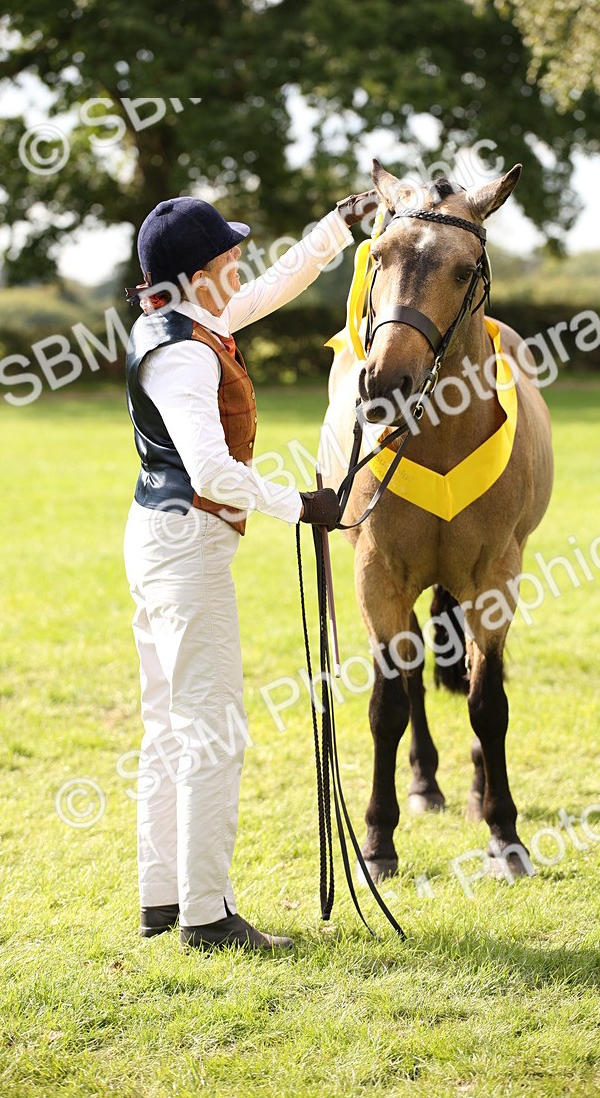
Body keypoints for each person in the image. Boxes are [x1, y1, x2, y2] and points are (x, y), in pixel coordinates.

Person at [123, 189, 377, 951]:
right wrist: (300, 505)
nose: (239, 271)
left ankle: (163, 898)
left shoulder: (185, 319)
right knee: (211, 733)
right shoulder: (183, 353)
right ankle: (206, 916)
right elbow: (210, 469)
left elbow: (271, 286)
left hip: (162, 538)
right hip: (187, 548)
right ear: (197, 277)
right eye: (227, 262)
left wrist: (335, 229)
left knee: (169, 726)